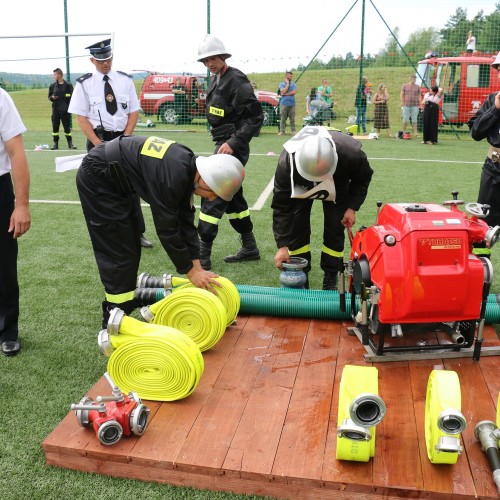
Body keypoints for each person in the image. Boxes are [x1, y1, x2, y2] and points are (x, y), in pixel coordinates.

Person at [75, 135, 245, 328]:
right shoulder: (172, 178)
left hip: (118, 179)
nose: (212, 199)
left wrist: (198, 268)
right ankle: (113, 317)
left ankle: (123, 306)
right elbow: (167, 230)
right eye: (214, 193)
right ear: (206, 180)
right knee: (120, 250)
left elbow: (185, 222)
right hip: (99, 177)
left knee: (130, 240)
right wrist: (190, 273)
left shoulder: (188, 167)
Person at [68, 38, 153, 249]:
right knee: (101, 189)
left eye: (107, 59)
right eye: (100, 60)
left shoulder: (125, 80)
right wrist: (97, 143)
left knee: (131, 187)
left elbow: (133, 111)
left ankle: (137, 233)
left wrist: (126, 138)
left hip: (123, 139)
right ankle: (111, 234)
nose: (105, 63)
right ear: (92, 60)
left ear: (112, 57)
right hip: (98, 140)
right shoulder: (84, 84)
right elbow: (81, 117)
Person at [272, 126, 373, 290]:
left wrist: (351, 207)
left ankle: (331, 276)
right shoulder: (287, 163)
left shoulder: (350, 154)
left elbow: (363, 178)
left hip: (336, 179)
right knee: (297, 226)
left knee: (335, 227)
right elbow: (281, 206)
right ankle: (300, 273)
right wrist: (282, 245)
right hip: (300, 180)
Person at [196, 34, 263, 270]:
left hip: (232, 145)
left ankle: (202, 254)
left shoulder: (236, 79)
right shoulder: (217, 79)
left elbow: (256, 117)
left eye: (213, 58)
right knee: (233, 198)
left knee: (213, 192)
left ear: (222, 56)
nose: (210, 64)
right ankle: (250, 246)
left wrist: (234, 142)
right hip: (223, 143)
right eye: (205, 61)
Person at [0, 88, 31, 356]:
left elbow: (16, 153)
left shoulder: (1, 98)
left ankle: (7, 331)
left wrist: (21, 205)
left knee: (3, 266)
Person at [467, 51, 500, 259]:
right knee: (483, 224)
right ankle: (482, 275)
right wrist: (495, 110)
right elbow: (476, 132)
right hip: (493, 168)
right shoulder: (491, 100)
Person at [48, 68, 77, 150]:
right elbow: (49, 97)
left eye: (55, 74)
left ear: (60, 75)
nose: (54, 76)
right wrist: (52, 97)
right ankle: (55, 144)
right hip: (55, 110)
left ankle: (70, 144)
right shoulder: (53, 86)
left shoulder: (68, 85)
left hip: (65, 110)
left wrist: (65, 97)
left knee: (67, 127)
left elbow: (72, 96)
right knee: (55, 128)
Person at [278, 71, 297, 136]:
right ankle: (282, 131)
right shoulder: (281, 84)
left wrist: (285, 94)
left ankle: (293, 131)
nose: (291, 77)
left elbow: (294, 92)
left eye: (292, 76)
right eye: (290, 76)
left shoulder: (294, 84)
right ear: (286, 76)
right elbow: (283, 91)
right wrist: (287, 84)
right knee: (283, 119)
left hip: (292, 104)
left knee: (292, 119)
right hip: (283, 104)